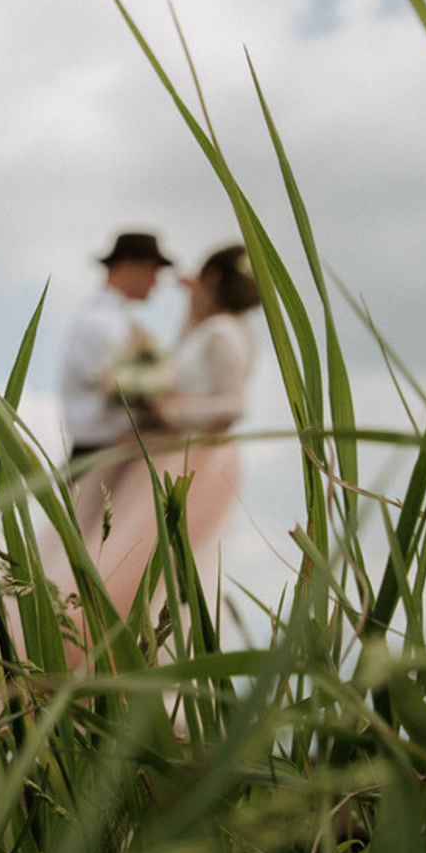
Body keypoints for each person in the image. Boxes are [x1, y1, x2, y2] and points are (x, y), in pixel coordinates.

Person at [86, 241, 262, 626]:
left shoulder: (219, 333)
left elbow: (234, 407)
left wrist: (168, 411)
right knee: (169, 559)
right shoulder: (226, 330)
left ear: (212, 277)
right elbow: (181, 363)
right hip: (183, 452)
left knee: (148, 555)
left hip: (185, 456)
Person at [59, 230, 172, 547]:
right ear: (128, 264)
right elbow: (119, 387)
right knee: (92, 550)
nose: (156, 282)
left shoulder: (117, 320)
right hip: (98, 455)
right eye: (152, 271)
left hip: (113, 451)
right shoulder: (99, 322)